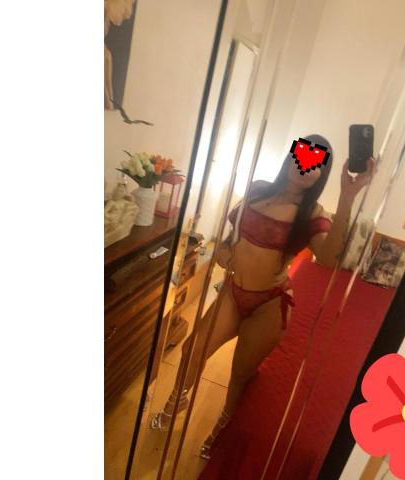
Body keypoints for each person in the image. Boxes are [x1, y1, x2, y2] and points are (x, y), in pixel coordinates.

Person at [150, 134, 375, 459]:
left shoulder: (312, 215)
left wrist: (348, 197)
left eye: (316, 164)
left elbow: (328, 259)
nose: (306, 166)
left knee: (240, 374)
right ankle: (177, 401)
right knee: (192, 350)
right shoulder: (257, 189)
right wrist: (222, 253)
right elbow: (233, 236)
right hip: (233, 292)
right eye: (302, 155)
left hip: (269, 304)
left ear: (321, 175)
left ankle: (221, 429)